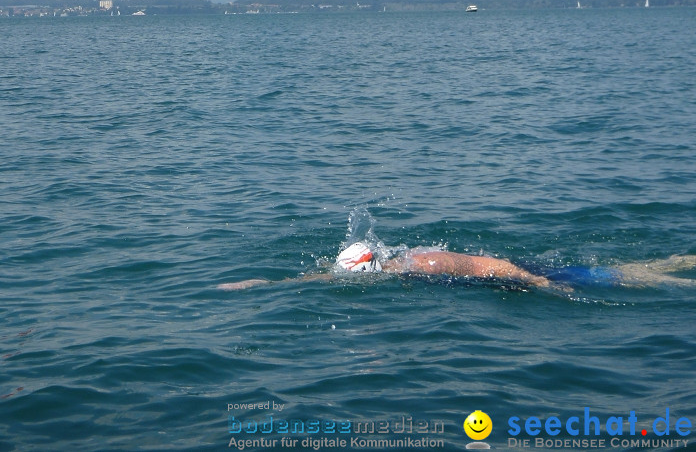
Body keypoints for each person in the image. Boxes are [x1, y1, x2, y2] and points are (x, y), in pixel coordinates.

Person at [217, 241, 696, 291]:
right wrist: (259, 284)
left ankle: (675, 267)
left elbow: (485, 264)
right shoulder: (388, 266)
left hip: (510, 272)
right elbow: (318, 277)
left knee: (617, 277)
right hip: (497, 275)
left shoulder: (421, 263)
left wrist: (533, 281)